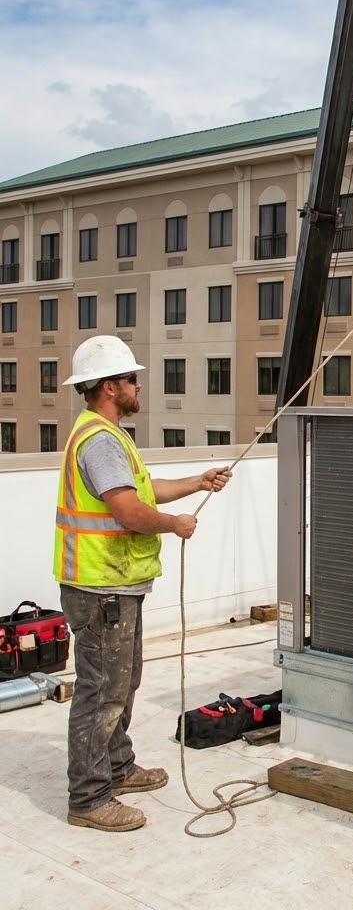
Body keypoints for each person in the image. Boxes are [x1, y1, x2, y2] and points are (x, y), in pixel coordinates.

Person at [55, 335, 232, 832]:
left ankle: (117, 767)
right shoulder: (102, 440)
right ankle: (89, 799)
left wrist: (198, 482)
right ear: (111, 386)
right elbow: (129, 510)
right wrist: (175, 523)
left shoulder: (105, 434)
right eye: (132, 379)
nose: (139, 386)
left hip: (112, 585)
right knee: (102, 692)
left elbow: (143, 490)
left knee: (121, 682)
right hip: (100, 587)